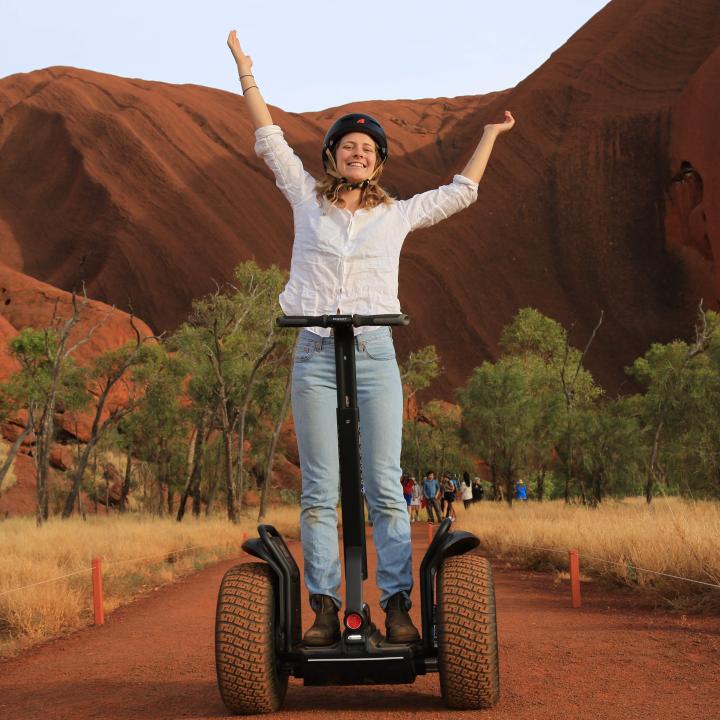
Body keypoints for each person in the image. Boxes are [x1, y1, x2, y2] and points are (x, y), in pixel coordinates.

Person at [227, 30, 515, 647]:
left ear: (379, 164)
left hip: (375, 355)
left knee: (385, 486)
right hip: (314, 355)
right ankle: (327, 608)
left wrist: (489, 136)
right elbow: (269, 140)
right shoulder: (307, 200)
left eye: (367, 148)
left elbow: (462, 194)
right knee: (320, 490)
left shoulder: (397, 214)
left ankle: (397, 606)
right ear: (332, 159)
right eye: (347, 146)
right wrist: (247, 73)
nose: (357, 153)